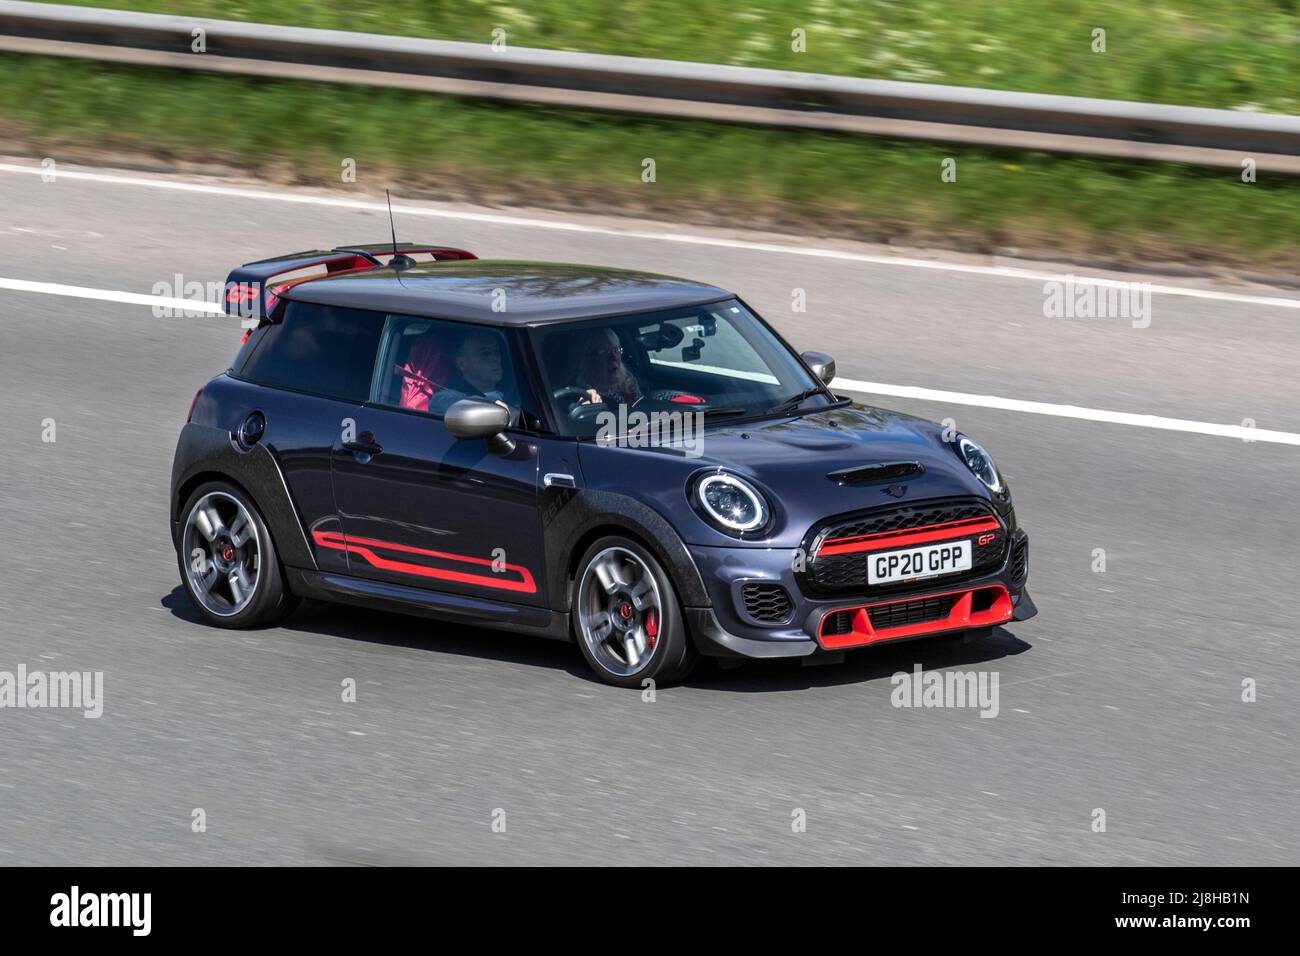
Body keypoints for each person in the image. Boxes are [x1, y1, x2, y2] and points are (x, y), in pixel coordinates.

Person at [429, 329, 512, 414]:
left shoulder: (516, 388)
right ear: (462, 363)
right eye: (485, 354)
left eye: (496, 351)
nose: (495, 358)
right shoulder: (448, 398)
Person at [574, 328, 641, 406]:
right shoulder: (582, 396)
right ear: (589, 360)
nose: (613, 357)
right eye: (604, 352)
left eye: (616, 350)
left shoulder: (629, 386)